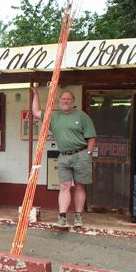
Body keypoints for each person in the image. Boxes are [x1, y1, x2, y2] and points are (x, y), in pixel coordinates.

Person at [32, 87, 96, 227]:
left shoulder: (82, 116)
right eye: (63, 99)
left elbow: (91, 137)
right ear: (59, 101)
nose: (66, 101)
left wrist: (88, 153)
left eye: (68, 99)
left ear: (73, 101)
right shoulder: (54, 116)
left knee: (79, 186)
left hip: (81, 154)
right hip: (63, 156)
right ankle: (62, 217)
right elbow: (36, 112)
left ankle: (78, 217)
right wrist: (35, 94)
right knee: (65, 186)